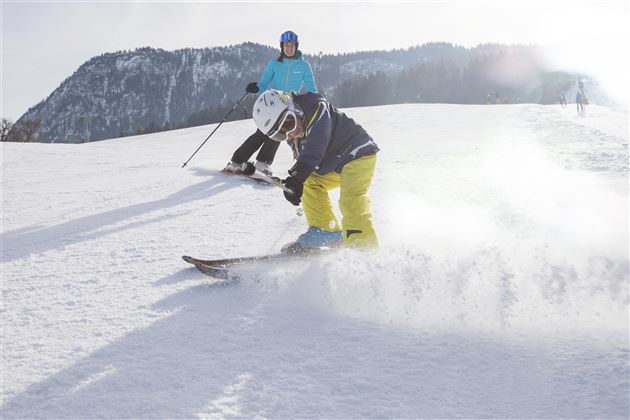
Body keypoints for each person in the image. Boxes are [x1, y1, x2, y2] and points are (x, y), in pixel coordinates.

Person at [252, 89, 380, 249]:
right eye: (280, 134)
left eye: (288, 123)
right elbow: (304, 161)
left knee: (351, 200)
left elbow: (316, 143)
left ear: (293, 107)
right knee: (308, 183)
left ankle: (363, 250)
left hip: (357, 153)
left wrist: (298, 176)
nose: (290, 134)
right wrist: (294, 183)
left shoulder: (316, 106)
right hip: (335, 163)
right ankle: (325, 229)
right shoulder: (294, 136)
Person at [224, 30, 317, 176]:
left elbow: (312, 90)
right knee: (260, 134)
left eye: (292, 45)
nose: (289, 48)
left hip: (289, 106)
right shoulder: (274, 63)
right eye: (286, 45)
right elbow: (263, 84)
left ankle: (262, 164)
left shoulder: (304, 66)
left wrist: (312, 104)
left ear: (296, 46)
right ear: (282, 46)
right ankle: (236, 162)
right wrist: (255, 88)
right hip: (272, 104)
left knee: (279, 134)